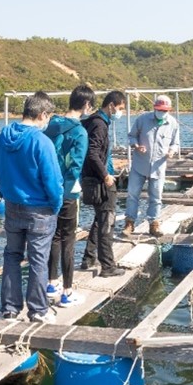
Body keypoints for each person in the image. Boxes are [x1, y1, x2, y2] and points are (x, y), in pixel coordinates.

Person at [0, 91, 64, 323]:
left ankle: (9, 309)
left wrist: (4, 192)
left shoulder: (2, 138)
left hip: (13, 205)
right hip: (40, 209)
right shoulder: (42, 141)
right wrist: (56, 204)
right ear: (42, 114)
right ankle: (38, 310)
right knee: (38, 259)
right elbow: (52, 179)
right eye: (48, 117)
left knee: (11, 255)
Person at [45, 84, 95, 307]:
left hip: (46, 190)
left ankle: (50, 283)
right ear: (86, 104)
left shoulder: (50, 125)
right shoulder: (79, 132)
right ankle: (67, 291)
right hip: (66, 193)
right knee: (68, 240)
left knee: (53, 237)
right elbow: (75, 166)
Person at [79, 90, 127, 277]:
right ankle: (107, 266)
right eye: (120, 108)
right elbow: (93, 153)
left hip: (92, 178)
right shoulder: (99, 124)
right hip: (100, 181)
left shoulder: (94, 121)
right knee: (107, 220)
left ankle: (89, 257)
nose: (120, 113)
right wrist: (106, 175)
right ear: (111, 106)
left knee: (100, 219)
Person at [124, 94, 180, 238]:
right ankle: (129, 223)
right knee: (132, 194)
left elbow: (175, 143)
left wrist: (172, 151)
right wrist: (136, 145)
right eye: (159, 109)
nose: (162, 112)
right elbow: (131, 136)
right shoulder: (142, 119)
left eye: (165, 110)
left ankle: (153, 224)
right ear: (154, 108)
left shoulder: (173, 123)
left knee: (156, 197)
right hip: (139, 165)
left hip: (158, 166)